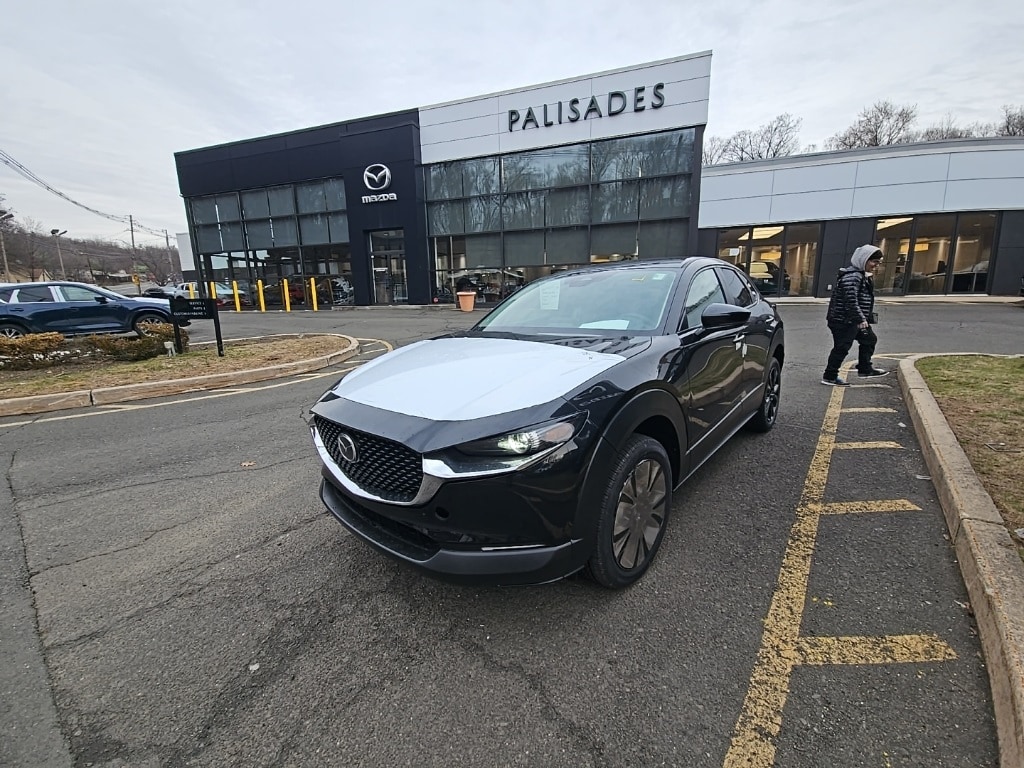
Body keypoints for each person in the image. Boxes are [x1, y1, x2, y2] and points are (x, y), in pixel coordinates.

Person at [821, 245, 888, 386]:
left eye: (878, 262)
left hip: (853, 320)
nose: (876, 265)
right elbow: (851, 301)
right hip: (843, 320)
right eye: (874, 261)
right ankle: (830, 376)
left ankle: (865, 368)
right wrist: (860, 319)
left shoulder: (862, 276)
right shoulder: (853, 277)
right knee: (842, 347)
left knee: (869, 340)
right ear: (863, 260)